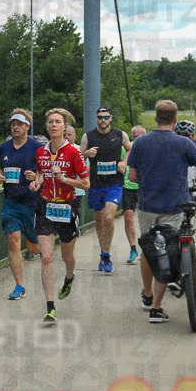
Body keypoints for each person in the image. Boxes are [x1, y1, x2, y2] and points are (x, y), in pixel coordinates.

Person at [127, 100, 196, 324]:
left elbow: (132, 177)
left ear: (155, 118)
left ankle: (147, 295)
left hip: (147, 206)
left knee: (149, 250)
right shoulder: (184, 144)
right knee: (167, 249)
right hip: (175, 207)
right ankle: (156, 308)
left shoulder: (140, 142)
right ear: (175, 120)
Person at [31, 108, 89, 324]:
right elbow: (39, 172)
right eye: (50, 122)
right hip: (46, 206)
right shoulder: (41, 152)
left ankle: (69, 276)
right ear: (46, 127)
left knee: (67, 257)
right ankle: (50, 307)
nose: (54, 125)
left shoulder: (74, 153)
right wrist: (36, 182)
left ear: (65, 127)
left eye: (58, 122)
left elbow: (86, 183)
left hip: (67, 206)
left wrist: (64, 179)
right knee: (46, 257)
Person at [79, 106, 133, 274]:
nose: (103, 120)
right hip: (96, 184)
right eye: (100, 117)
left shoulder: (120, 134)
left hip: (114, 183)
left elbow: (130, 148)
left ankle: (107, 255)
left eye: (106, 117)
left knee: (109, 217)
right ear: (96, 118)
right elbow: (78, 157)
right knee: (100, 220)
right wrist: (87, 153)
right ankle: (103, 253)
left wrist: (124, 162)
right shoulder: (88, 136)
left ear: (111, 118)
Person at [0, 108, 41, 300]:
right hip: (11, 202)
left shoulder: (38, 148)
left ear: (27, 127)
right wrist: (0, 177)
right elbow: (1, 170)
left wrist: (36, 177)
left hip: (32, 203)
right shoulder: (3, 149)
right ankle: (19, 285)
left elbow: (45, 174)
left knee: (34, 248)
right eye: (13, 124)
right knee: (13, 241)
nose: (15, 127)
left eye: (19, 124)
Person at [121, 125, 147, 264]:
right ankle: (133, 249)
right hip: (128, 187)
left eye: (139, 136)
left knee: (145, 218)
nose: (136, 139)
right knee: (128, 217)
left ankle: (145, 249)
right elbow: (121, 163)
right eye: (134, 136)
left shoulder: (150, 147)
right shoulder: (127, 148)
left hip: (146, 187)